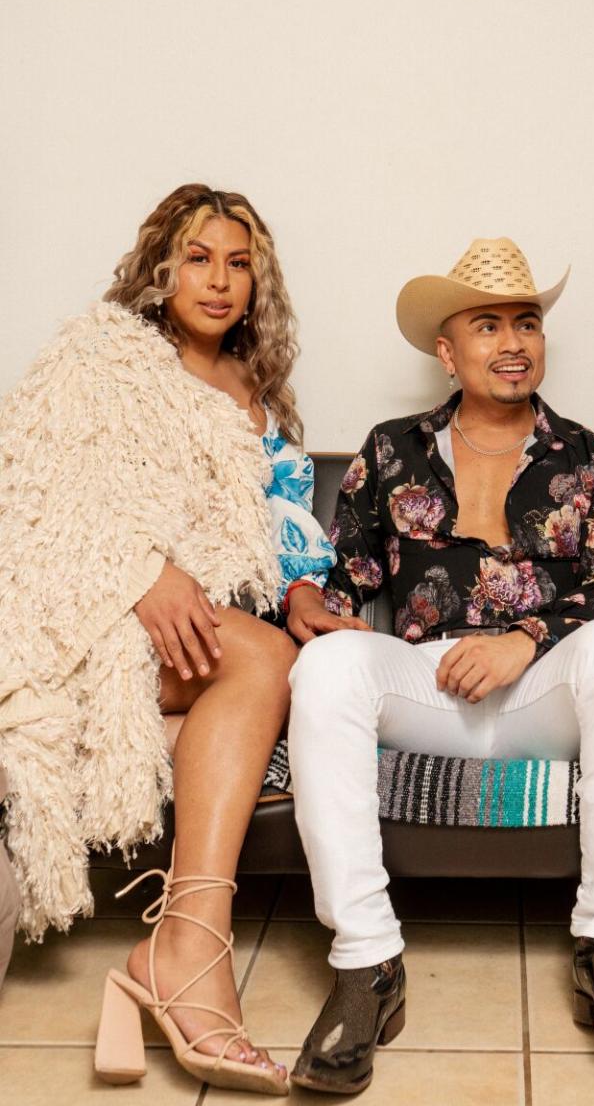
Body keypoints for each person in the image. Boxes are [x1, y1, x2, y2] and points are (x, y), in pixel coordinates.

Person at [284, 237, 594, 1095]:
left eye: (527, 323)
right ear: (446, 350)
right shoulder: (390, 451)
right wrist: (311, 601)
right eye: (488, 325)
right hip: (430, 685)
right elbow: (350, 578)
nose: (512, 342)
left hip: (544, 688)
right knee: (323, 672)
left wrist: (524, 640)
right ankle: (367, 966)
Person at [0, 183, 337, 1097]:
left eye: (239, 264)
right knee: (262, 660)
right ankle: (191, 947)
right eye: (199, 258)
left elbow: (276, 521)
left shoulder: (258, 390)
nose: (220, 282)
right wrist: (139, 571)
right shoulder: (104, 355)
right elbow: (37, 481)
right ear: (160, 266)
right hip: (106, 605)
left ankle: (161, 958)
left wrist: (303, 587)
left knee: (295, 667)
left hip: (208, 626)